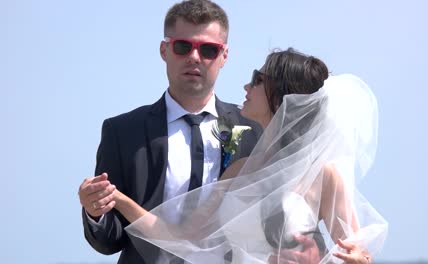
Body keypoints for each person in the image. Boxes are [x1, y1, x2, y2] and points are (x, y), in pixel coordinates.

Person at [114, 48, 388, 264]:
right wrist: (118, 199)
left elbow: (357, 250)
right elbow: (182, 236)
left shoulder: (323, 176)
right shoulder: (239, 170)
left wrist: (356, 259)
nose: (246, 86)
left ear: (282, 97)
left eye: (258, 79)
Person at [77, 0, 262, 263]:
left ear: (224, 56)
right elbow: (110, 241)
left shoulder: (254, 128)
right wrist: (95, 211)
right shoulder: (122, 131)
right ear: (164, 50)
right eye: (183, 46)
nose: (194, 57)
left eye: (208, 49)